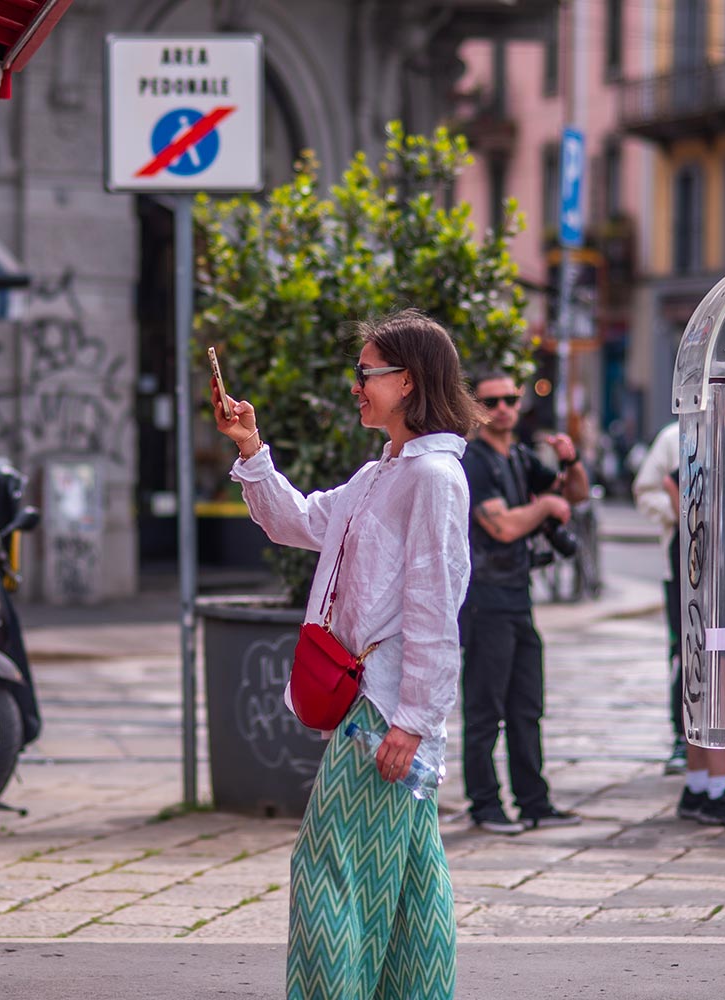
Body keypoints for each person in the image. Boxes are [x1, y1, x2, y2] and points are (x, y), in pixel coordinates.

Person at [213, 309, 476, 1000]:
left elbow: (434, 602)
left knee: (326, 869)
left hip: (383, 709)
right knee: (412, 881)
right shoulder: (378, 476)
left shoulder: (433, 478)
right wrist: (251, 450)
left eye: (366, 374)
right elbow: (295, 520)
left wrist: (414, 718)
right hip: (375, 706)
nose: (356, 386)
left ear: (409, 381)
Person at [459, 372, 589, 834]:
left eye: (511, 399)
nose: (503, 408)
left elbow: (576, 493)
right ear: (476, 406)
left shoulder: (517, 455)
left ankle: (534, 802)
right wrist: (546, 509)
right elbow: (504, 527)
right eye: (492, 400)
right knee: (484, 709)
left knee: (526, 707)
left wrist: (570, 461)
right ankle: (485, 805)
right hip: (483, 599)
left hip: (517, 596)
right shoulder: (473, 461)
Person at [634, 426, 725, 825]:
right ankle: (715, 788)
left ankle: (702, 784)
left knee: (719, 679)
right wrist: (698, 530)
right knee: (722, 678)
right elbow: (671, 484)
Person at [632, 421, 686, 774]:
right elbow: (647, 489)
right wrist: (680, 514)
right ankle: (682, 735)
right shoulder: (673, 436)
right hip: (683, 560)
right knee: (685, 649)